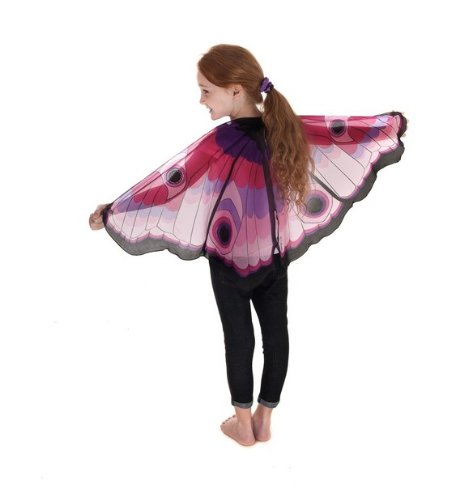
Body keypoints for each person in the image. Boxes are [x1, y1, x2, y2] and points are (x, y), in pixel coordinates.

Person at [89, 44, 407, 447]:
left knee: (238, 338)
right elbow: (340, 131)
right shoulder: (287, 128)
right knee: (277, 335)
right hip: (274, 258)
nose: (201, 100)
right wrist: (387, 126)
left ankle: (242, 425)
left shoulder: (220, 141)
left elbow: (168, 183)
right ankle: (264, 419)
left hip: (229, 263)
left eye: (207, 91)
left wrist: (114, 210)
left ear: (235, 89)